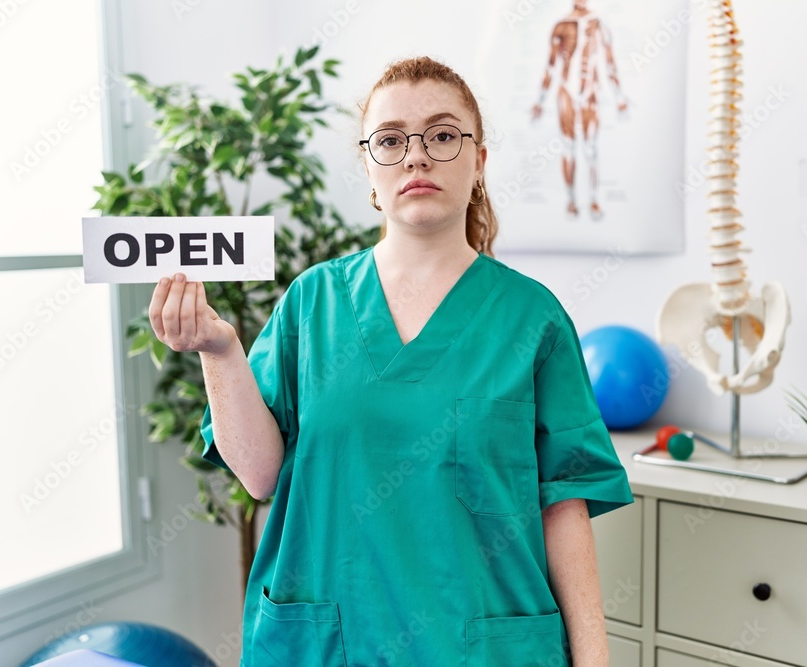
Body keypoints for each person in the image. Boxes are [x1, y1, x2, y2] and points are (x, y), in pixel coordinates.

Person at [148, 56, 633, 667]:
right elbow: (261, 476)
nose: (416, 155)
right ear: (370, 172)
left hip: (482, 647)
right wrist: (219, 351)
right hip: (330, 642)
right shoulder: (313, 303)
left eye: (442, 135)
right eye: (391, 139)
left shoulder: (532, 319)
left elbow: (564, 505)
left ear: (479, 162)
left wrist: (595, 660)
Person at [531, 0, 629, 220]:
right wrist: (540, 100)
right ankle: (571, 200)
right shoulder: (561, 25)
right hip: (566, 92)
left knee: (591, 148)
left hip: (590, 93)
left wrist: (619, 97)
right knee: (568, 147)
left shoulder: (598, 23)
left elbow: (609, 61)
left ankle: (593, 199)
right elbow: (550, 65)